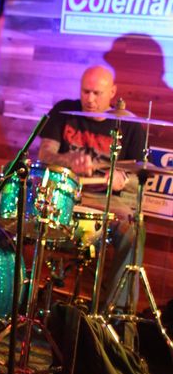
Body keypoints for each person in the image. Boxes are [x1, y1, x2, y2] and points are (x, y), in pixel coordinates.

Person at [38, 64, 144, 311]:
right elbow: (44, 154)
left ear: (112, 92)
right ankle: (20, 293)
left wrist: (123, 179)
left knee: (134, 230)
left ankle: (115, 313)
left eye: (97, 93)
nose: (90, 99)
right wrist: (68, 160)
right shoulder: (64, 111)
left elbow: (141, 176)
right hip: (66, 196)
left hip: (107, 203)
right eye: (86, 91)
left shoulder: (130, 126)